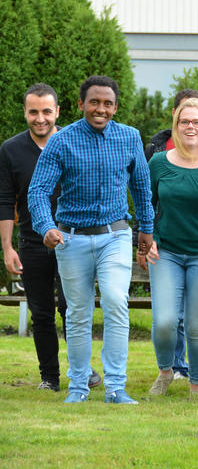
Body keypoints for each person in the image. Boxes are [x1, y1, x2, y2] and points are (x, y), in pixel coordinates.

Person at [28, 75, 155, 404]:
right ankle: (78, 387)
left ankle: (115, 386)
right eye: (94, 102)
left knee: (115, 300)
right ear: (82, 104)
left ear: (115, 106)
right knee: (78, 312)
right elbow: (38, 190)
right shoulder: (62, 141)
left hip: (115, 236)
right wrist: (46, 227)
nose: (101, 108)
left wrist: (146, 229)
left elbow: (141, 188)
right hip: (71, 240)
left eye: (108, 103)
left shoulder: (129, 138)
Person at [0, 83, 100, 392]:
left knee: (72, 308)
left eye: (46, 111)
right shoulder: (10, 150)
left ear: (57, 111)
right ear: (26, 113)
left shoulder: (75, 143)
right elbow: (5, 201)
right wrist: (7, 247)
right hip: (31, 243)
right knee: (40, 312)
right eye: (33, 111)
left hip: (74, 242)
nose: (40, 118)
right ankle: (50, 378)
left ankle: (82, 371)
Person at [145, 89, 198, 385]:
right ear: (175, 126)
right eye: (184, 122)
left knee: (196, 325)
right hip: (165, 252)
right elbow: (145, 204)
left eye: (197, 122)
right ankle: (166, 371)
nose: (191, 127)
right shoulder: (158, 162)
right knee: (165, 322)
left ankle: (197, 384)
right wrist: (147, 238)